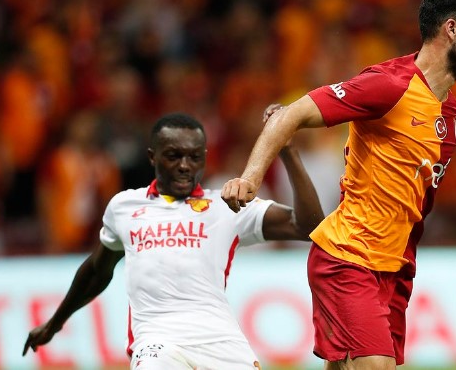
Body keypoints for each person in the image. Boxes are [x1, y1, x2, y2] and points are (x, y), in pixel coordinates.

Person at [221, 0, 456, 370]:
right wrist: (250, 178)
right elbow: (292, 113)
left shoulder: (450, 114)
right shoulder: (390, 85)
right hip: (349, 257)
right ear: (451, 29)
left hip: (394, 267)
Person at [22, 109, 324, 369]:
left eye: (194, 157)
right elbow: (96, 271)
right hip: (157, 342)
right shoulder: (125, 207)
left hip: (222, 342)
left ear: (204, 157)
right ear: (152, 156)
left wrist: (287, 150)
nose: (184, 165)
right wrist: (55, 323)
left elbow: (307, 226)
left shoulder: (225, 205)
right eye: (173, 156)